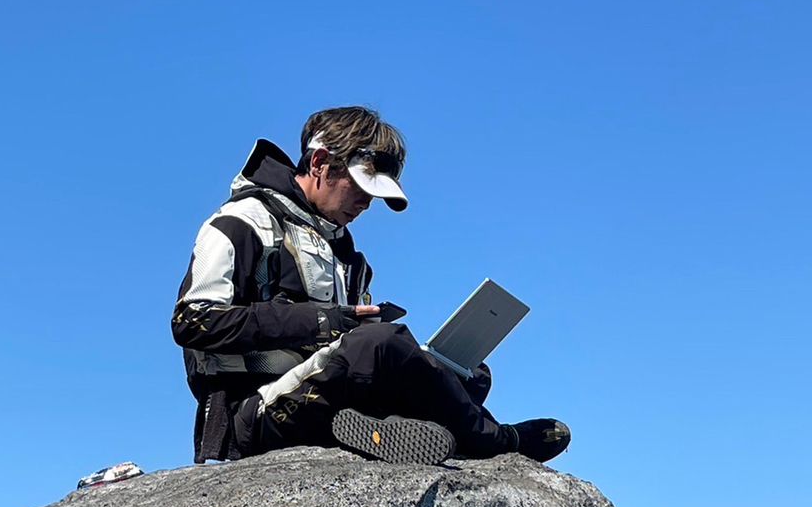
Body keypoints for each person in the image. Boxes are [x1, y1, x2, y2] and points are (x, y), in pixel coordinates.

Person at [172, 106, 570, 466]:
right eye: (361, 188)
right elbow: (193, 322)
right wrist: (325, 322)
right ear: (320, 163)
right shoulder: (241, 222)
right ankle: (496, 440)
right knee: (383, 343)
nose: (366, 204)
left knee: (471, 374)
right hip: (254, 412)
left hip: (325, 393)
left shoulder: (347, 257)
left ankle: (403, 430)